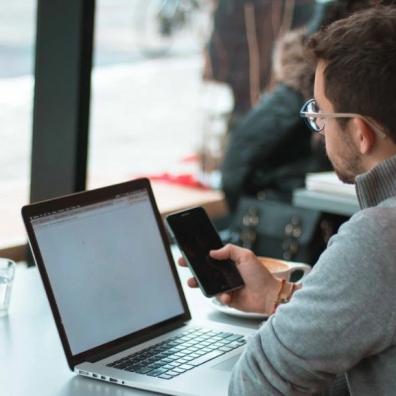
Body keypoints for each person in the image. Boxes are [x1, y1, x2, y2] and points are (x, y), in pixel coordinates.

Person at [179, 5, 396, 394]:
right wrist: (278, 296)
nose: (318, 132)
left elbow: (257, 382)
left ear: (361, 133)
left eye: (321, 115)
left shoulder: (380, 238)